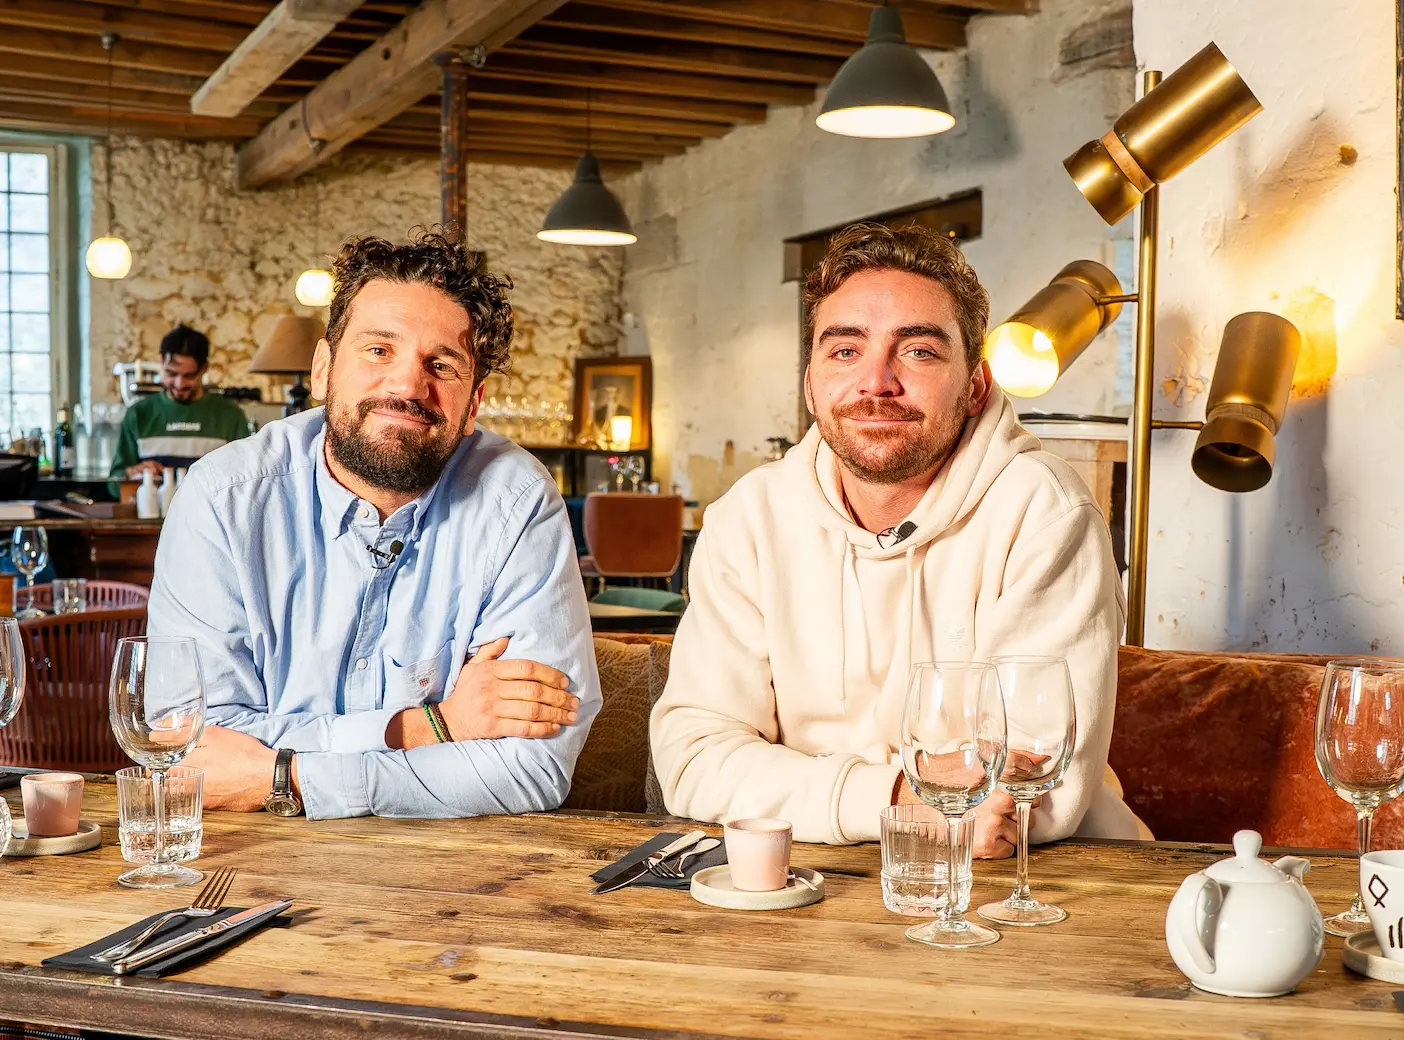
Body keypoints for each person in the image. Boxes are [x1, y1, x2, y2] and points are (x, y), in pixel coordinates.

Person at [650, 223, 1149, 854]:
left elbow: (1028, 797)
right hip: (805, 882)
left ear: (976, 385)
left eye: (918, 351)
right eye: (844, 351)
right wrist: (896, 799)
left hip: (1037, 881)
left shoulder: (1044, 512)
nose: (877, 382)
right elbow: (693, 759)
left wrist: (783, 784)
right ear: (810, 383)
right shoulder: (747, 519)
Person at [147, 228, 601, 820]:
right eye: (378, 350)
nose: (408, 385)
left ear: (474, 404)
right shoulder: (223, 498)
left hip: (457, 878)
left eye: (442, 363)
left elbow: (530, 768)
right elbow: (190, 746)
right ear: (322, 369)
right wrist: (431, 727)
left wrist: (285, 776)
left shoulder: (514, 500)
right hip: (251, 862)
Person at [108, 324, 252, 483]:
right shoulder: (138, 414)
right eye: (171, 373)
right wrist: (133, 472)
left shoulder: (230, 415)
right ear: (162, 362)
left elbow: (247, 477)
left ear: (204, 368)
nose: (179, 384)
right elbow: (114, 481)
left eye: (189, 376)